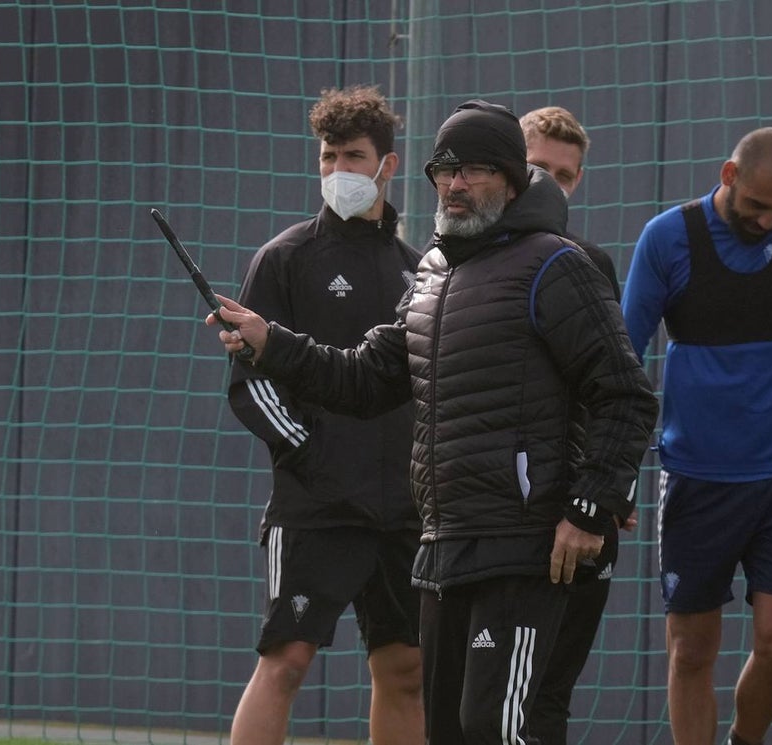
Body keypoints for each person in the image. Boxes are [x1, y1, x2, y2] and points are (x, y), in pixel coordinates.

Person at [209, 99, 659, 745]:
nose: (455, 183)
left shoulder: (557, 265)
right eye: (445, 169)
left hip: (525, 543)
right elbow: (366, 379)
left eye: (473, 169)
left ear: (509, 177)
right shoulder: (434, 273)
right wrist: (271, 341)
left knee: (499, 728)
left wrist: (591, 506)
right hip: (444, 543)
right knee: (446, 728)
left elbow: (625, 394)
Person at [621, 127, 772, 745]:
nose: (767, 222)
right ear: (728, 177)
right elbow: (621, 368)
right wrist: (616, 476)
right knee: (691, 651)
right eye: (757, 206)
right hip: (696, 477)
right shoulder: (666, 239)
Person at [224, 85, 425, 745]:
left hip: (401, 510)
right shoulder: (284, 259)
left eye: (354, 156)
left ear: (387, 165)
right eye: (328, 156)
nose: (340, 170)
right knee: (285, 660)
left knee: (404, 669)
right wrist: (308, 453)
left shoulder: (416, 268)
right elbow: (249, 386)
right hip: (315, 506)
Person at [519, 105, 626, 745]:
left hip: (576, 516)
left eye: (564, 175)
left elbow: (617, 389)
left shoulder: (589, 265)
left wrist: (609, 490)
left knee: (549, 699)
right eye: (536, 169)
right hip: (492, 522)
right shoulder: (450, 261)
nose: (550, 185)